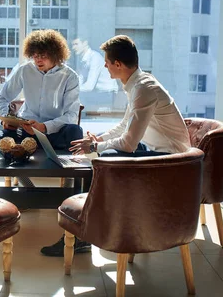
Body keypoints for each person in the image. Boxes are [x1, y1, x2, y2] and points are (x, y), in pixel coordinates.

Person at [40, 34, 191, 257]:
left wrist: (94, 148)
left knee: (103, 160)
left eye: (107, 61)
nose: (104, 65)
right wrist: (97, 140)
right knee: (101, 156)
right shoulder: (138, 85)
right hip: (156, 153)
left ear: (118, 64)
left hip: (170, 162)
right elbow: (124, 127)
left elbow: (129, 144)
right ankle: (88, 228)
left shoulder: (144, 89)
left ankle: (84, 233)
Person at [0, 29, 83, 186]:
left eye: (43, 55)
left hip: (54, 133)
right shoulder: (25, 70)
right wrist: (5, 118)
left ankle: (68, 187)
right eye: (35, 55)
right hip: (25, 132)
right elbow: (2, 97)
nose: (38, 60)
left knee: (74, 132)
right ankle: (24, 184)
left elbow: (71, 115)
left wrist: (44, 127)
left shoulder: (70, 76)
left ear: (56, 54)